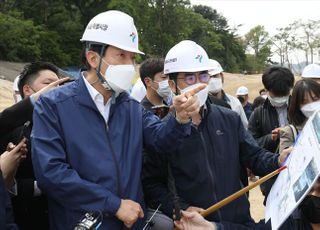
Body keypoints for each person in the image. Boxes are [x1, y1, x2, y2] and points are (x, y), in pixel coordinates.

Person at [31, 10, 202, 230]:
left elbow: (161, 141)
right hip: (80, 223)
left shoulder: (129, 107)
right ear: (93, 58)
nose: (129, 66)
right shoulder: (54, 105)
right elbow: (51, 173)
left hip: (132, 223)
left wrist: (179, 118)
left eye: (132, 58)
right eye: (121, 55)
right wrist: (114, 205)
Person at [143, 40, 290, 229]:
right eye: (189, 78)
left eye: (203, 76)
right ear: (172, 85)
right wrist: (180, 208)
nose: (198, 84)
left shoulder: (229, 118)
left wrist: (278, 160)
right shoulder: (163, 133)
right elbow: (151, 183)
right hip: (196, 224)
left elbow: (254, 156)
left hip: (237, 221)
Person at [0, 62, 64, 230]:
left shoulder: (67, 126)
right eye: (49, 83)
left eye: (59, 83)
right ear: (28, 90)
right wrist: (39, 186)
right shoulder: (14, 131)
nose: (57, 88)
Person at [248, 66, 295, 201]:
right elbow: (250, 145)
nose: (280, 98)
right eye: (276, 94)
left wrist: (290, 132)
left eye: (283, 94)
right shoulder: (258, 114)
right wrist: (270, 138)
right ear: (266, 90)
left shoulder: (299, 108)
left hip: (297, 172)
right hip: (271, 177)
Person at [279, 79, 320, 230]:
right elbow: (286, 174)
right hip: (306, 208)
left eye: (315, 99)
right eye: (304, 102)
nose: (311, 105)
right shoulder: (290, 132)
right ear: (297, 106)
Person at [207, 59, 248, 128]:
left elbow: (245, 128)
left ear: (221, 76)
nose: (212, 80)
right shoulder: (201, 105)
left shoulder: (235, 103)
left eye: (215, 76)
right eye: (208, 77)